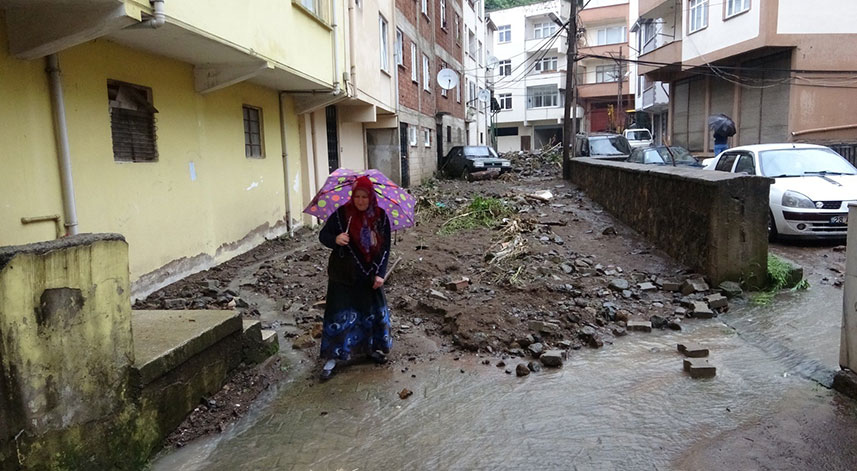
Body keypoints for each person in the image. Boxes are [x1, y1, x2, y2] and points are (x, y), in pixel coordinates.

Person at [317, 176, 392, 380]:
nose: (360, 201)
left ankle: (370, 349)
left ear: (371, 197)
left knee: (368, 313)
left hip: (369, 276)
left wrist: (380, 273)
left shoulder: (381, 217)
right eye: (357, 196)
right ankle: (333, 357)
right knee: (339, 314)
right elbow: (323, 236)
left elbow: (385, 248)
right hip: (343, 276)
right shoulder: (341, 214)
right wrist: (336, 238)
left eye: (364, 197)